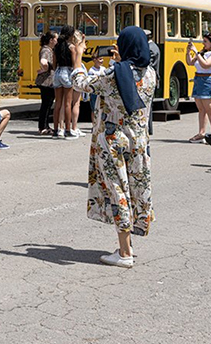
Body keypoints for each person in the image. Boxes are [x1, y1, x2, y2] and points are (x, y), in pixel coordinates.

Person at [71, 26, 156, 268]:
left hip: (113, 141)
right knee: (137, 187)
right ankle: (130, 241)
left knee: (118, 190)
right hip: (139, 140)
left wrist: (77, 57)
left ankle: (125, 252)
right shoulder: (150, 73)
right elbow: (129, 80)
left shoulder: (114, 75)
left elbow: (82, 83)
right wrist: (120, 63)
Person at [186, 33, 211, 143]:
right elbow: (190, 62)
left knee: (210, 108)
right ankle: (201, 133)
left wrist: (196, 52)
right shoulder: (202, 53)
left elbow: (206, 64)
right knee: (201, 109)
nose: (203, 43)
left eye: (205, 41)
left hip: (208, 80)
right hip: (198, 80)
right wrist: (189, 52)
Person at [53, 26, 83, 139]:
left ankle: (56, 130)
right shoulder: (71, 47)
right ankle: (67, 129)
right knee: (68, 103)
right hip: (67, 72)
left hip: (57, 72)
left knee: (58, 103)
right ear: (71, 35)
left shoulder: (57, 47)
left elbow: (54, 62)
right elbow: (75, 63)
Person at [36, 31, 58, 135]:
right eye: (55, 39)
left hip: (48, 81)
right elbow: (43, 61)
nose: (57, 41)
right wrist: (45, 69)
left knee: (47, 104)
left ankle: (45, 125)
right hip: (46, 81)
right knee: (46, 104)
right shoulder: (46, 50)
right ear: (51, 40)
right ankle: (43, 127)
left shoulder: (49, 49)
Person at [87, 50, 106, 124]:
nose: (102, 60)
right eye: (100, 59)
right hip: (94, 92)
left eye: (102, 59)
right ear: (94, 60)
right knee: (94, 109)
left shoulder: (103, 69)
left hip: (102, 92)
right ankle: (94, 124)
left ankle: (101, 123)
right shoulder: (91, 70)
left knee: (102, 108)